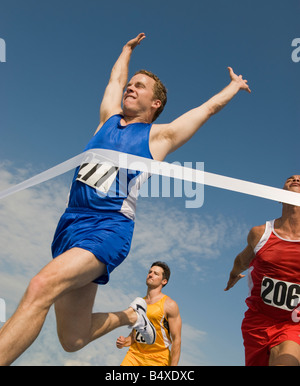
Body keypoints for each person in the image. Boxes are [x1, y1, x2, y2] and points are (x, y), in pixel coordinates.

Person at [0, 32, 250, 366]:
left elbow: (206, 110)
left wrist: (233, 86)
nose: (130, 88)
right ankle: (129, 316)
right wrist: (126, 51)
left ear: (155, 103)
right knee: (72, 339)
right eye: (130, 85)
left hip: (108, 229)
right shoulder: (106, 120)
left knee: (40, 285)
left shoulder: (159, 137)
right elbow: (115, 79)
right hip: (69, 226)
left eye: (140, 86)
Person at [225, 175, 300, 366]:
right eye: (290, 178)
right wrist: (233, 274)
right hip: (258, 322)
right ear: (279, 196)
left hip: (292, 324)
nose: (296, 179)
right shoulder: (260, 233)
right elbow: (242, 260)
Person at [116, 262, 181, 366]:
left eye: (156, 273)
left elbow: (176, 340)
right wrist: (124, 342)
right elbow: (135, 335)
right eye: (150, 272)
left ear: (164, 281)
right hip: (134, 355)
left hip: (158, 359)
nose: (150, 274)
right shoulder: (139, 303)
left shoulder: (170, 305)